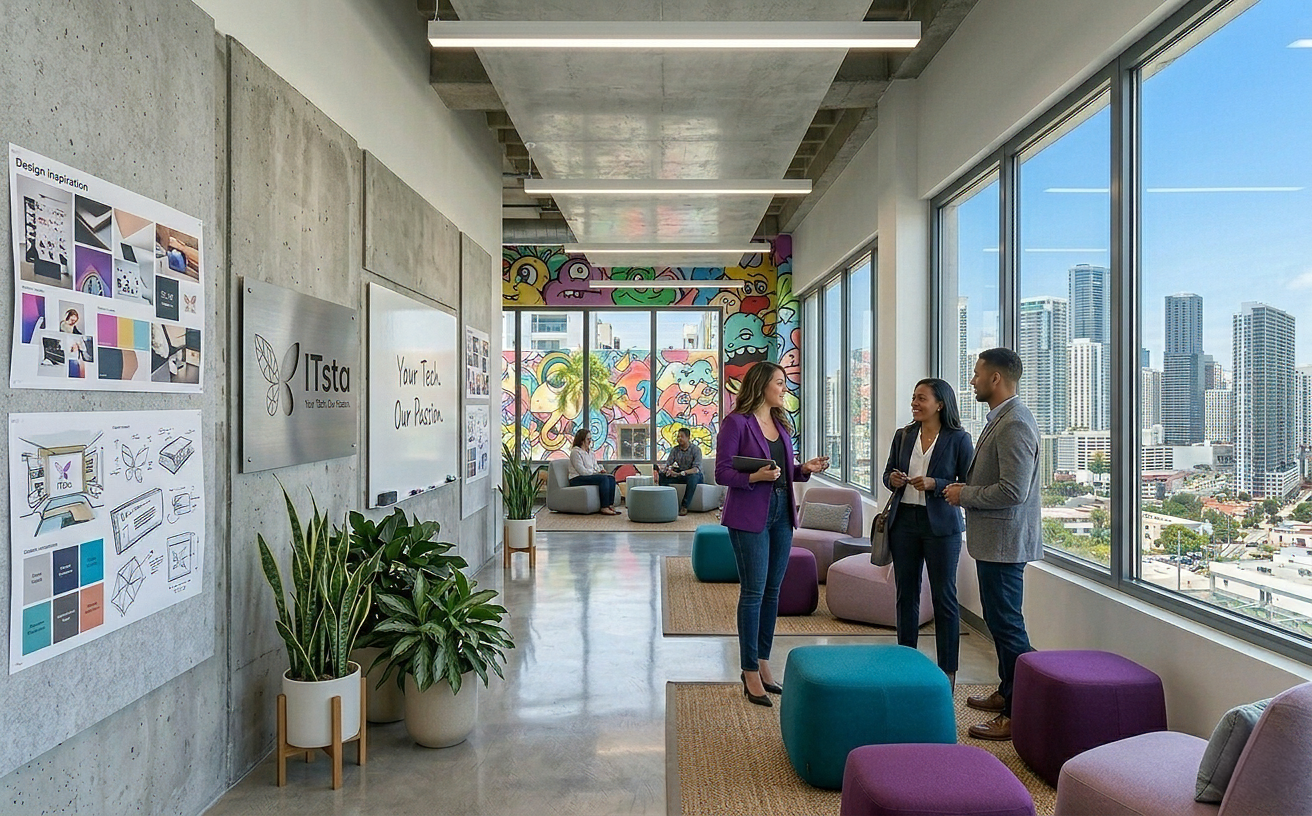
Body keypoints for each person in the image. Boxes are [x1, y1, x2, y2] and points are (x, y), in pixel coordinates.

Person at [716, 362, 829, 707]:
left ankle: (764, 663)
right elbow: (722, 472)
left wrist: (803, 469)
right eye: (779, 383)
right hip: (749, 513)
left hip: (782, 510)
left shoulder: (780, 424)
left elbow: (781, 470)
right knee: (753, 592)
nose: (784, 388)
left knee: (772, 591)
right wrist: (753, 478)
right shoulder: (736, 422)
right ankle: (749, 670)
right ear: (762, 385)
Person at [944, 348, 1043, 741]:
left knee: (1008, 628)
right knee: (1002, 626)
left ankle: (1021, 712)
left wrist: (964, 494)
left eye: (977, 374)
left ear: (996, 378)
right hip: (995, 542)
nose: (972, 381)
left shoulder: (1015, 422)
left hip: (1005, 543)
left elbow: (1013, 490)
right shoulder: (1002, 418)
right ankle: (1007, 694)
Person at [881, 378, 973, 690]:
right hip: (904, 521)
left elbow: (967, 483)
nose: (915, 403)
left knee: (944, 596)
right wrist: (892, 479)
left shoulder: (959, 439)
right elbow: (886, 473)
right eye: (913, 398)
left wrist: (935, 484)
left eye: (921, 398)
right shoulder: (904, 435)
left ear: (940, 404)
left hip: (942, 527)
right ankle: (906, 660)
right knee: (906, 594)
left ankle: (947, 671)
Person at [567, 428, 619, 515]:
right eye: (588, 439)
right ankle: (604, 507)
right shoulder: (575, 452)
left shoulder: (590, 452)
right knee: (603, 479)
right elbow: (582, 471)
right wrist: (595, 473)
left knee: (610, 477)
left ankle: (610, 504)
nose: (590, 441)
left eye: (590, 439)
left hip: (588, 475)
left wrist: (600, 470)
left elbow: (595, 465)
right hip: (577, 478)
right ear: (582, 440)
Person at [658, 426, 703, 516]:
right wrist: (667, 470)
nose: (679, 439)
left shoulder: (696, 450)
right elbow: (668, 463)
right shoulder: (675, 450)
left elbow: (696, 469)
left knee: (692, 478)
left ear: (688, 438)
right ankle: (668, 503)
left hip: (694, 475)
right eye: (678, 436)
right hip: (681, 474)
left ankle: (684, 506)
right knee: (662, 476)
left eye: (681, 436)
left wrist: (680, 473)